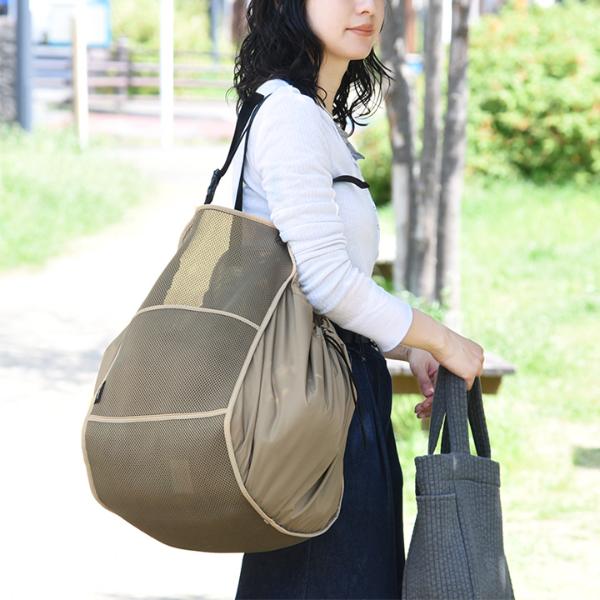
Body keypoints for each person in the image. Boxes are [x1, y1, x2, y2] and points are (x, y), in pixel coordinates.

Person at [228, 1, 484, 597]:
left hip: (334, 404)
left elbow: (317, 296)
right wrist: (441, 338)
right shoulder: (289, 115)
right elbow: (324, 281)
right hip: (314, 419)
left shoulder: (310, 116)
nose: (365, 6)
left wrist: (410, 347)